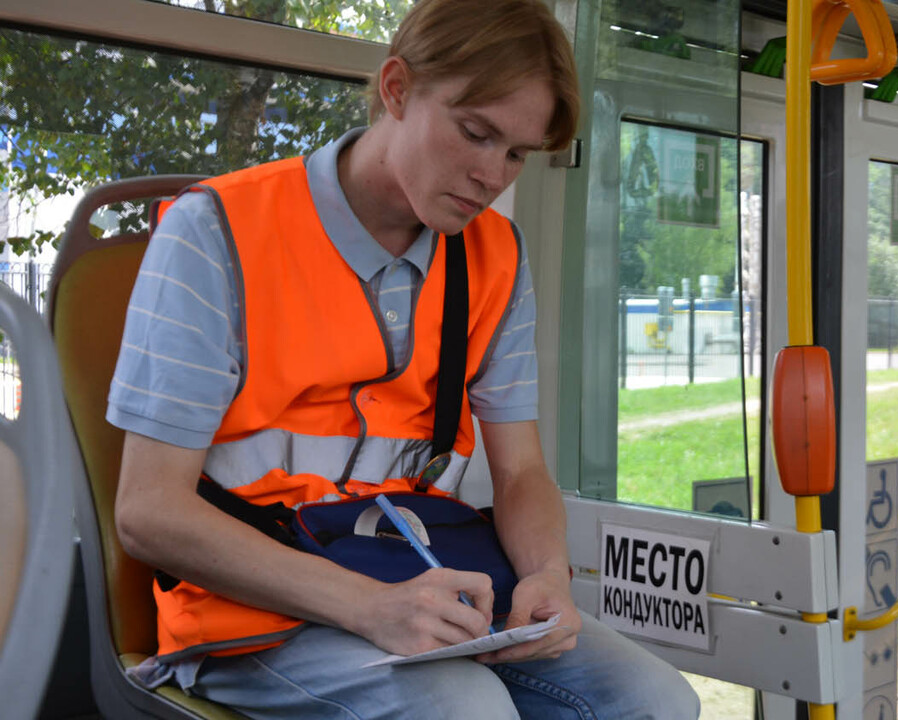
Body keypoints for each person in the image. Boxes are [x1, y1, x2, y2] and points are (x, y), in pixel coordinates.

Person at [108, 0, 700, 717]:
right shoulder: (216, 234)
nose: (492, 177)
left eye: (516, 154)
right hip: (246, 608)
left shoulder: (495, 258)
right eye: (475, 133)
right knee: (466, 708)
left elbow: (520, 470)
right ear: (396, 88)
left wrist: (547, 575)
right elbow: (147, 511)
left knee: (657, 699)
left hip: (409, 571)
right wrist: (371, 607)